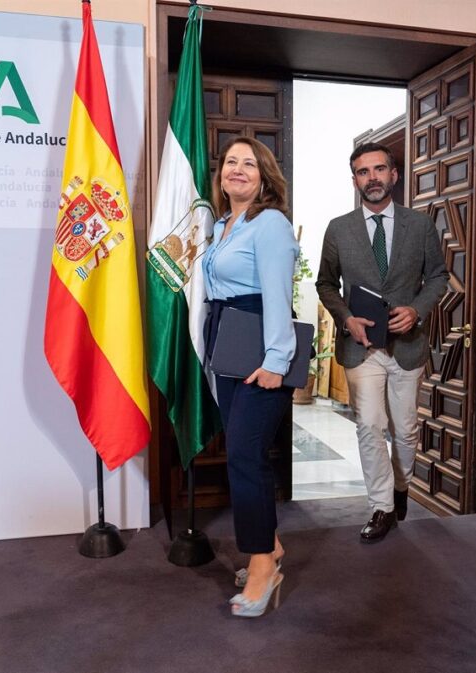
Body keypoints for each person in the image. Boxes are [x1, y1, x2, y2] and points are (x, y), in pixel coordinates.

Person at [315, 142, 448, 542]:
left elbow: (439, 276)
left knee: (405, 433)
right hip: (361, 348)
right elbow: (325, 282)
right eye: (362, 171)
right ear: (355, 179)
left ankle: (401, 487)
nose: (371, 177)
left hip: (407, 347)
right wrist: (345, 317)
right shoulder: (339, 228)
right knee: (369, 426)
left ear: (393, 175)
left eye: (378, 169)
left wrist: (418, 310)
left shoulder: (420, 225)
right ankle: (381, 507)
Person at [201, 136, 298, 617]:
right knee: (242, 452)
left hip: (262, 351)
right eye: (230, 162)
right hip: (227, 347)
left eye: (249, 164)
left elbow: (278, 295)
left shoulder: (270, 223)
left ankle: (262, 565)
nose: (238, 169)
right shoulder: (221, 225)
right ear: (221, 175)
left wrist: (277, 362)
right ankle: (272, 544)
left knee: (244, 454)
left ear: (264, 177)